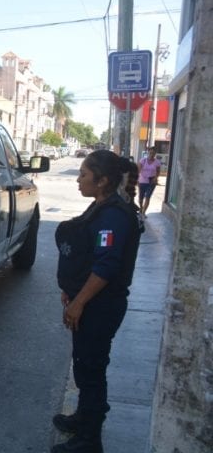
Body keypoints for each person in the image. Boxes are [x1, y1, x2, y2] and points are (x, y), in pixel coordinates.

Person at [52, 150, 143, 453]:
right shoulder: (101, 207)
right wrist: (72, 288)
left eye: (83, 175)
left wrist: (79, 302)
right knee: (84, 365)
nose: (78, 180)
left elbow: (106, 266)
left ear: (102, 181)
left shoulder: (114, 216)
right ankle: (83, 417)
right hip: (92, 302)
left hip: (101, 306)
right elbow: (86, 253)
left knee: (91, 370)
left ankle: (90, 440)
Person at [136, 147, 161, 218]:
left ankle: (144, 212)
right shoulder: (143, 161)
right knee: (141, 197)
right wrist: (136, 180)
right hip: (142, 181)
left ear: (155, 154)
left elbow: (158, 171)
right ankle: (141, 208)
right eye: (150, 153)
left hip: (151, 182)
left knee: (148, 197)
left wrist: (156, 178)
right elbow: (138, 171)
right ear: (148, 152)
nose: (152, 154)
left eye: (153, 153)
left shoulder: (157, 162)